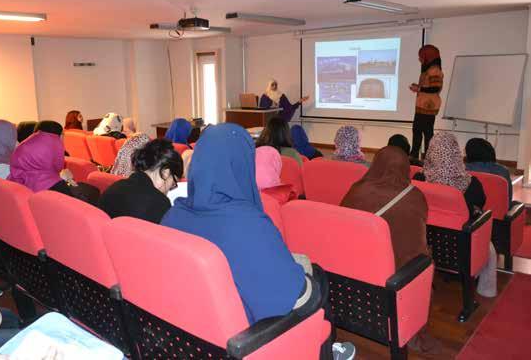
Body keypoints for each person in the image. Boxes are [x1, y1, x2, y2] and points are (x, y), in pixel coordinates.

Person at [160, 123, 306, 324]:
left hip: (194, 330)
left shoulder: (171, 217)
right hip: (248, 342)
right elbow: (290, 294)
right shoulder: (252, 225)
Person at [413, 132, 495, 297]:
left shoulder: (419, 179)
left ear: (431, 152)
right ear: (457, 153)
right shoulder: (472, 184)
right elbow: (480, 206)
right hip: (462, 248)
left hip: (425, 243)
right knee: (490, 247)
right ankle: (486, 290)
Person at [341, 146, 428, 269]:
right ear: (406, 168)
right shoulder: (415, 196)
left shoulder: (356, 189)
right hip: (397, 276)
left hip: (353, 266)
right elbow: (417, 241)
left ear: (375, 165)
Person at [99, 139, 182, 223]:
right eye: (173, 184)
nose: (168, 191)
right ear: (165, 173)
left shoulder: (114, 188)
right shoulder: (159, 203)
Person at [409, 45, 444, 159]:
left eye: (422, 56)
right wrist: (418, 87)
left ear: (428, 56)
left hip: (428, 107)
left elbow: (435, 88)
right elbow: (428, 86)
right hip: (422, 106)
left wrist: (419, 89)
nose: (420, 59)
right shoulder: (428, 69)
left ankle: (428, 158)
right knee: (417, 130)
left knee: (427, 132)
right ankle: (414, 155)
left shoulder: (435, 70)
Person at [465, 138, 512, 204]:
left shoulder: (463, 170)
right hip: (498, 213)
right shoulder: (503, 171)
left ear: (469, 153)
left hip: (473, 212)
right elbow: (508, 200)